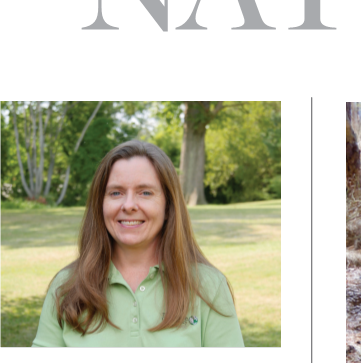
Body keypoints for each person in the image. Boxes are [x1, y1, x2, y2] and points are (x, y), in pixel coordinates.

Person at [32, 140, 244, 348]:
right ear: (100, 204)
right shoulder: (66, 287)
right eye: (116, 193)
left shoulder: (209, 287)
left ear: (168, 206)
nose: (129, 205)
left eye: (145, 192)